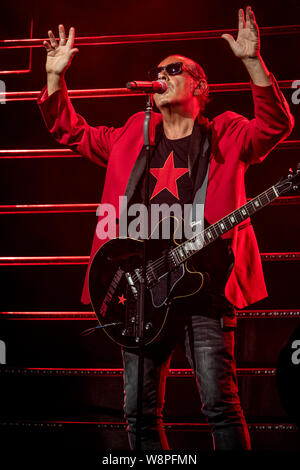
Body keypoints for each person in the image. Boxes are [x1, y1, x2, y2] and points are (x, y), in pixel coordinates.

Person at [37, 7, 294, 450]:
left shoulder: (227, 132)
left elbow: (275, 125)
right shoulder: (132, 134)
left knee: (220, 405)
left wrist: (253, 62)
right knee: (138, 411)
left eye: (174, 70)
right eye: (158, 71)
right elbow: (71, 132)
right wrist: (56, 77)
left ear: (200, 86)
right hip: (143, 288)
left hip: (205, 288)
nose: (161, 75)